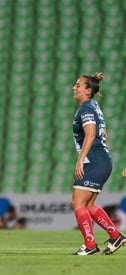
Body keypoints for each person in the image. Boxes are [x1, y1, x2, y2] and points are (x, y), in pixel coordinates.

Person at [70, 72, 126, 256]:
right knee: (88, 204)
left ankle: (90, 245)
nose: (74, 88)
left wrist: (81, 159)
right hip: (101, 160)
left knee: (78, 203)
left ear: (87, 91)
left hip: (94, 161)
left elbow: (91, 134)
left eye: (78, 85)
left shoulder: (86, 108)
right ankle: (115, 235)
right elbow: (104, 134)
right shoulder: (94, 106)